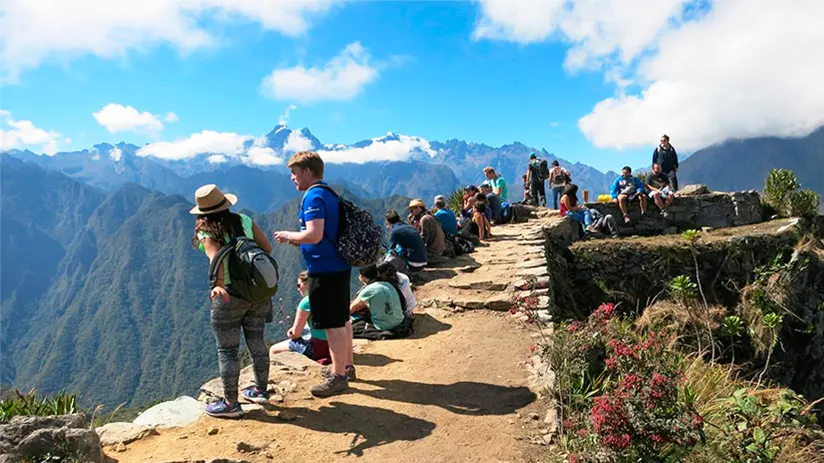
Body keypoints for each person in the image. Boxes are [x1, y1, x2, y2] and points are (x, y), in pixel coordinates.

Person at [273, 151, 354, 398]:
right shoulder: (328, 192)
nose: (292, 178)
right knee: (341, 320)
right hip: (338, 266)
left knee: (331, 324)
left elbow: (315, 234)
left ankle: (338, 376)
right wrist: (303, 241)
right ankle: (346, 368)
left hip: (325, 269)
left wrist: (288, 235)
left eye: (295, 172)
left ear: (308, 171)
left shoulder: (314, 196)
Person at [190, 184, 273, 418]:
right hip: (257, 292)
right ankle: (261, 390)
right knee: (257, 341)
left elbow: (214, 258)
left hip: (228, 296)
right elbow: (266, 248)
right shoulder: (244, 220)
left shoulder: (207, 231)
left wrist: (216, 284)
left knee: (227, 350)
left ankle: (230, 403)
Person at [269, 272, 330, 363]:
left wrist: (290, 333)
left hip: (317, 349)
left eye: (299, 285)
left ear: (307, 284)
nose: (298, 289)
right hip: (335, 346)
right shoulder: (331, 297)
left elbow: (296, 334)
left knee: (274, 349)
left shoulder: (306, 302)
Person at [350, 263, 409, 339]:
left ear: (362, 277)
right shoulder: (388, 284)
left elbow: (351, 308)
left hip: (384, 326)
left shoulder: (369, 289)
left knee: (353, 325)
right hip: (399, 321)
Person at [408, 199, 446, 263]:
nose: (411, 213)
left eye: (412, 210)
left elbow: (423, 240)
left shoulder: (424, 219)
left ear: (418, 208)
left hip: (433, 253)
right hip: (440, 249)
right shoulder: (431, 215)